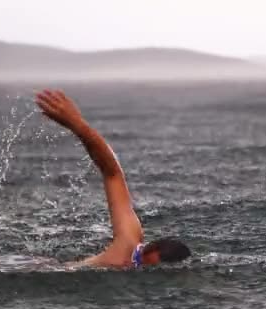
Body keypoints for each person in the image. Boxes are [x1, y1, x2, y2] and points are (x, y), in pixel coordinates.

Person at [35, 89, 191, 269]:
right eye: (149, 265)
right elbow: (112, 173)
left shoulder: (133, 249)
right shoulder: (126, 243)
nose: (146, 268)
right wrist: (78, 125)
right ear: (149, 250)